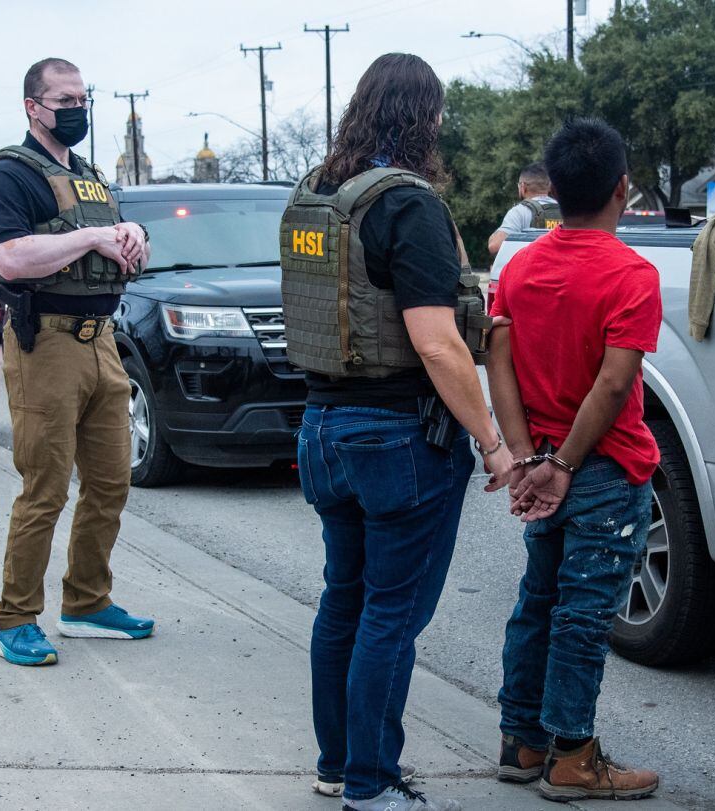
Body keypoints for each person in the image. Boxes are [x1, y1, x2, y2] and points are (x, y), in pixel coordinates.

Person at [281, 53, 514, 811]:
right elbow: (439, 342)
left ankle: (337, 763)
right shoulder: (406, 205)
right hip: (395, 436)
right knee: (390, 614)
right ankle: (372, 784)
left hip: (322, 425)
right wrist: (491, 437)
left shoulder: (317, 193)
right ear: (428, 119)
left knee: (343, 599)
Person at [488, 118, 662, 802]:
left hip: (542, 464)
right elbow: (615, 383)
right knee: (584, 612)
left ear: (552, 192)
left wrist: (529, 456)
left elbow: (496, 361)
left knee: (539, 599)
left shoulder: (520, 267)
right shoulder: (631, 273)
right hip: (606, 469)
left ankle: (522, 740)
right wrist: (562, 462)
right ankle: (572, 757)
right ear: (622, 189)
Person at [0, 57, 154, 667]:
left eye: (84, 97)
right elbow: (9, 259)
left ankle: (86, 603)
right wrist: (92, 238)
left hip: (103, 341)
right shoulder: (12, 174)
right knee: (45, 489)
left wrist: (133, 239)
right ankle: (14, 618)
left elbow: (114, 240)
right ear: (33, 106)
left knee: (111, 482)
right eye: (64, 99)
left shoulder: (89, 175)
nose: (77, 108)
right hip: (45, 344)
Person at [485, 162, 562, 259]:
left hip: (534, 271)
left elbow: (494, 246)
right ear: (549, 186)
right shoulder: (565, 209)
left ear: (522, 187)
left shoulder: (520, 211)